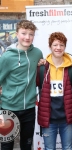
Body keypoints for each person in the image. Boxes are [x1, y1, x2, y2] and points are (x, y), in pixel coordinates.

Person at [0, 20, 43, 150]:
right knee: (7, 146)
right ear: (17, 34)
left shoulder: (37, 53)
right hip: (8, 108)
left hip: (29, 108)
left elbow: (38, 74)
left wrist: (41, 64)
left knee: (27, 145)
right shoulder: (7, 57)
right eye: (24, 33)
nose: (27, 37)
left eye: (31, 34)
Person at [37, 32, 72, 150]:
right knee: (49, 148)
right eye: (55, 45)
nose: (58, 48)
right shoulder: (42, 68)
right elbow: (37, 86)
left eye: (61, 45)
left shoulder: (71, 68)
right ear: (50, 47)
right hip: (48, 119)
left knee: (68, 148)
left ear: (65, 47)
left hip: (67, 117)